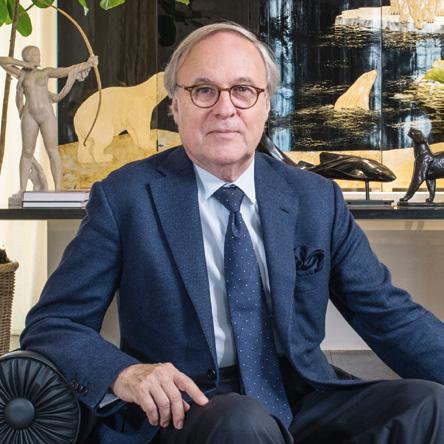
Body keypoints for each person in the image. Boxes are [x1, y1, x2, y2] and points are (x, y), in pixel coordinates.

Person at [20, 22, 444, 444]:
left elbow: (390, 315)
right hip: (187, 408)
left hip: (299, 396)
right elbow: (54, 323)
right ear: (175, 105)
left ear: (266, 105)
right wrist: (124, 373)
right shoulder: (125, 197)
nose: (225, 109)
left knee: (430, 403)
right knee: (242, 421)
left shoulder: (315, 198)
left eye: (243, 90)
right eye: (204, 90)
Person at [0, 47, 97, 197]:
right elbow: (2, 61)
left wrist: (88, 64)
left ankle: (58, 188)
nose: (38, 56)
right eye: (34, 54)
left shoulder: (45, 72)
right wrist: (23, 64)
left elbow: (67, 70)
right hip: (29, 115)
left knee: (52, 150)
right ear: (26, 57)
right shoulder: (21, 74)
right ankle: (22, 189)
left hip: (46, 115)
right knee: (27, 152)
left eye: (38, 53)